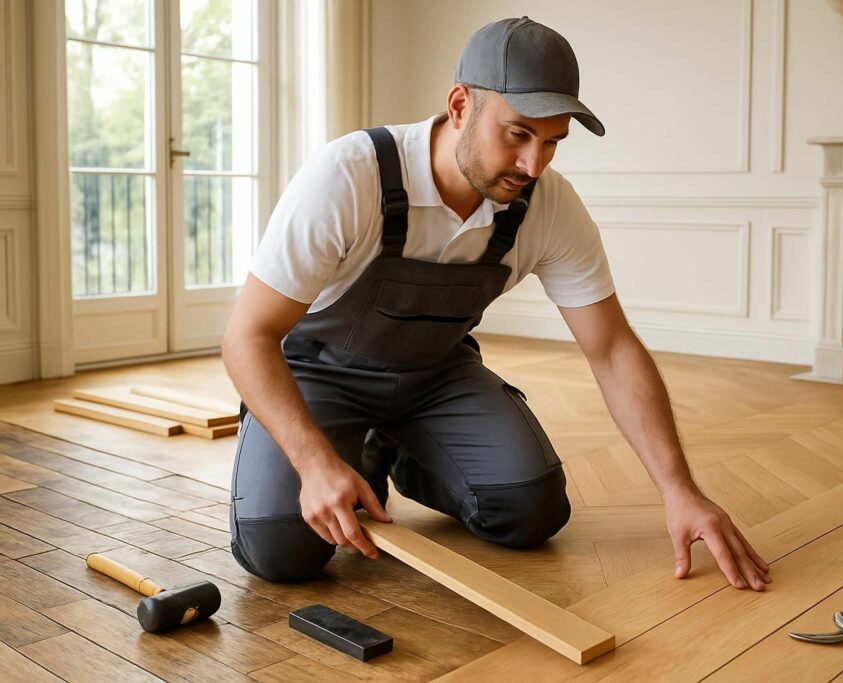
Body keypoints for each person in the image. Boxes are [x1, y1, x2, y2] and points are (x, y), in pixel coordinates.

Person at [223, 16, 771, 591]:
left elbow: (612, 348)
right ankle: (340, 449)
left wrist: (679, 490)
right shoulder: (350, 174)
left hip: (435, 376)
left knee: (531, 510)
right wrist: (312, 461)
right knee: (280, 548)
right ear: (460, 106)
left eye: (552, 141)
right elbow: (247, 336)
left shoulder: (548, 206)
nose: (534, 165)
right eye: (518, 134)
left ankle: (389, 450)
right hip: (318, 376)